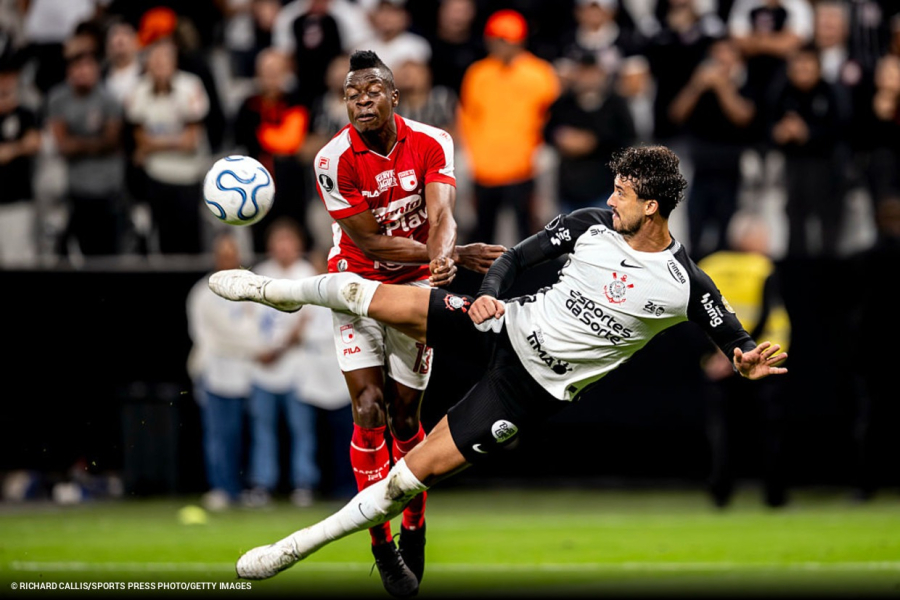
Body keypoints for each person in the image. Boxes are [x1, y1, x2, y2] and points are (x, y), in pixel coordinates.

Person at [208, 145, 788, 597]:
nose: (612, 200)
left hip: (527, 392)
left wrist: (744, 360)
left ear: (652, 206)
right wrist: (487, 293)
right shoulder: (590, 223)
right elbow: (515, 256)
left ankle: (294, 547)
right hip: (506, 324)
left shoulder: (686, 283)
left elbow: (735, 340)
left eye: (622, 193)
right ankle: (275, 290)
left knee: (403, 483)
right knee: (370, 294)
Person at [309, 49, 504, 597]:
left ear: (395, 96)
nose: (360, 100)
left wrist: (446, 255)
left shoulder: (431, 140)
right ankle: (381, 544)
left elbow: (442, 212)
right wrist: (449, 255)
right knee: (367, 409)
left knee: (402, 418)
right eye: (351, 94)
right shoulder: (332, 159)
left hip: (415, 289)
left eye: (372, 91)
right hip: (357, 285)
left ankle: (414, 523)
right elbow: (369, 241)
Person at [696, 211, 791, 508]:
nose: (767, 242)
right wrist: (745, 354)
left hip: (717, 364)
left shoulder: (708, 266)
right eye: (763, 236)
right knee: (768, 432)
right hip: (763, 362)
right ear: (749, 238)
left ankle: (720, 494)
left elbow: (693, 318)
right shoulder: (761, 267)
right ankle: (775, 496)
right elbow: (763, 316)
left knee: (721, 432)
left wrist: (720, 356)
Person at [457, 9, 560, 245]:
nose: (503, 46)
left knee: (528, 235)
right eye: (498, 40)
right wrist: (472, 156)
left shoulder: (540, 73)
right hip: (484, 168)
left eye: (508, 40)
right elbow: (468, 118)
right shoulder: (477, 74)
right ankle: (482, 281)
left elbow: (551, 117)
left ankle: (529, 282)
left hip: (524, 167)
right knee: (482, 235)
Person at [244, 217, 320, 509]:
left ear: (298, 245)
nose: (284, 247)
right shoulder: (260, 274)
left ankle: (303, 483)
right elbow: (249, 320)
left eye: (289, 241)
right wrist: (261, 350)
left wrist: (281, 348)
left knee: (301, 429)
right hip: (262, 367)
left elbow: (308, 320)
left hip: (297, 367)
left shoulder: (307, 274)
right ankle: (263, 484)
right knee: (263, 430)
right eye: (278, 241)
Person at [186, 232, 260, 511]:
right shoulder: (202, 293)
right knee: (219, 435)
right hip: (214, 374)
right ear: (216, 256)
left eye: (233, 253)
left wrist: (246, 344)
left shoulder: (253, 288)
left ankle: (247, 488)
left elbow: (257, 331)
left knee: (250, 435)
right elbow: (209, 337)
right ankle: (221, 488)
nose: (229, 258)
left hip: (250, 375)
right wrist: (248, 345)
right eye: (223, 253)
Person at [668, 36, 758, 261]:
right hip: (700, 171)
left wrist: (723, 87)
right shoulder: (700, 85)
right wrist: (696, 86)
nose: (721, 60)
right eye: (717, 54)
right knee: (695, 234)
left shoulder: (744, 84)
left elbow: (743, 116)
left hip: (730, 171)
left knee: (726, 238)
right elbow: (676, 114)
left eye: (727, 54)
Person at [125, 37, 210, 255]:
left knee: (191, 241)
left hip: (189, 175)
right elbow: (141, 141)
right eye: (155, 60)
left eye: (165, 59)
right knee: (162, 241)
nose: (160, 65)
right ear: (147, 63)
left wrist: (154, 144)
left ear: (175, 62)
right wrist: (174, 140)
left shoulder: (191, 86)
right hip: (155, 176)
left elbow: (191, 141)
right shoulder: (138, 90)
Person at [46, 30, 126, 258]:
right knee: (73, 255)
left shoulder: (108, 98)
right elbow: (63, 146)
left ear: (96, 69)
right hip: (75, 192)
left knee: (109, 255)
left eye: (87, 66)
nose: (82, 72)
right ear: (69, 71)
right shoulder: (58, 98)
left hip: (109, 190)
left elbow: (111, 142)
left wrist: (78, 143)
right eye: (77, 66)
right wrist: (95, 144)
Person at [233, 48, 311, 253]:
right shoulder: (248, 106)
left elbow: (294, 142)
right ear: (258, 74)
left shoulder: (298, 100)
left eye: (276, 71)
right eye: (266, 71)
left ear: (286, 73)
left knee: (296, 236)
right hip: (257, 186)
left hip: (293, 185)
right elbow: (245, 141)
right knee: (261, 242)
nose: (271, 76)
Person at [0, 59, 41, 267]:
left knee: (18, 261)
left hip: (18, 200)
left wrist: (10, 149)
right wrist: (18, 146)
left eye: (9, 77)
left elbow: (34, 143)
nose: (5, 83)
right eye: (2, 77)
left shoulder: (26, 113)